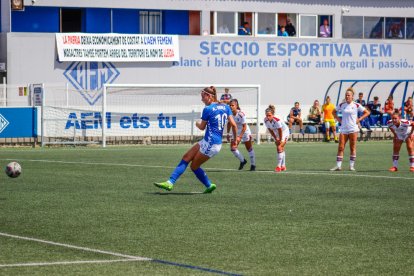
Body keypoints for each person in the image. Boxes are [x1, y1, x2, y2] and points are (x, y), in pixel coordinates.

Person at [154, 86, 237, 193]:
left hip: (211, 144)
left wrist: (196, 123)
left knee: (194, 166)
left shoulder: (207, 109)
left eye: (203, 97)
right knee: (186, 156)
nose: (201, 99)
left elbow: (202, 127)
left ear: (208, 96)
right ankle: (170, 183)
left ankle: (209, 184)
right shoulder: (226, 107)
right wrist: (234, 140)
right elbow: (234, 125)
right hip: (209, 141)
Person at [330, 87, 370, 171]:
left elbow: (367, 112)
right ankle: (338, 166)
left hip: (353, 129)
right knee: (341, 147)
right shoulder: (341, 105)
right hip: (344, 129)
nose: (347, 96)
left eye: (349, 95)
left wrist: (359, 119)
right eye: (346, 95)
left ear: (352, 96)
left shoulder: (356, 105)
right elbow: (333, 112)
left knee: (352, 147)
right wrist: (338, 119)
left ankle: (351, 166)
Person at [227, 99, 256, 171]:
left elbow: (244, 126)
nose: (231, 107)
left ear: (236, 106)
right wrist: (228, 133)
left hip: (245, 131)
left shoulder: (241, 114)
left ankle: (253, 165)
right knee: (233, 148)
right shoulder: (229, 114)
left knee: (249, 148)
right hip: (236, 131)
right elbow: (229, 123)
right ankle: (243, 161)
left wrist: (240, 137)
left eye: (232, 105)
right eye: (230, 105)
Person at [265, 105, 290, 172]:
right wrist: (276, 138)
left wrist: (280, 139)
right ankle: (283, 166)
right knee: (280, 148)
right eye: (267, 115)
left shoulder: (277, 120)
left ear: (273, 115)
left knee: (279, 147)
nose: (268, 117)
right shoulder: (266, 120)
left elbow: (280, 130)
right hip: (276, 133)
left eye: (269, 115)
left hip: (284, 132)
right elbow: (270, 130)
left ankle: (278, 166)